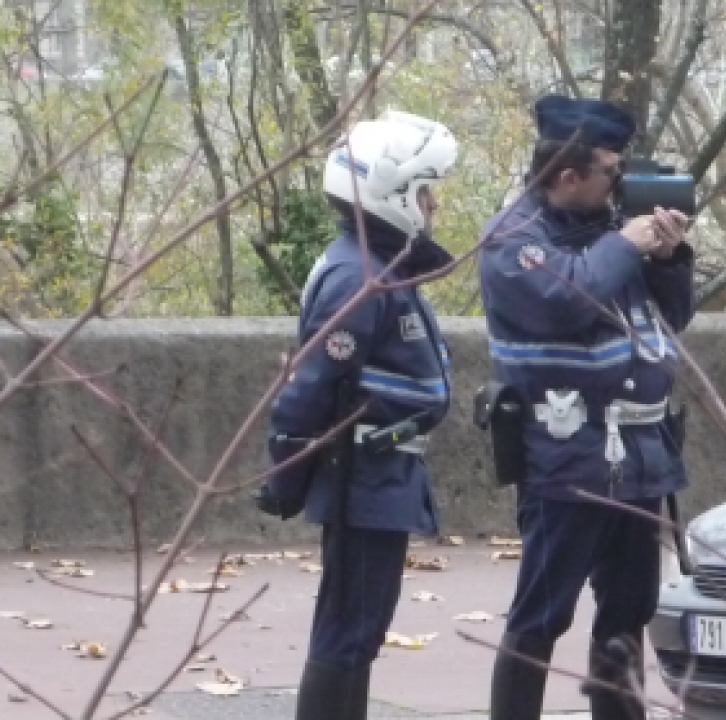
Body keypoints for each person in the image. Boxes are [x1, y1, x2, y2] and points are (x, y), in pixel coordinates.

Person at [478, 94, 695, 720]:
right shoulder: (512, 239)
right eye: (610, 171)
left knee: (629, 610)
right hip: (565, 457)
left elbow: (670, 319)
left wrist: (668, 258)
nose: (620, 183)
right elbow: (564, 298)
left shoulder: (609, 233)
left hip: (642, 454)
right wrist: (627, 244)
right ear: (567, 176)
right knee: (542, 613)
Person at [254, 109, 458, 720]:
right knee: (349, 627)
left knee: (362, 628)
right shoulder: (357, 277)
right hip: (362, 475)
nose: (432, 207)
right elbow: (312, 389)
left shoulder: (381, 266)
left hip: (383, 473)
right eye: (425, 193)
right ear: (392, 194)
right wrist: (285, 473)